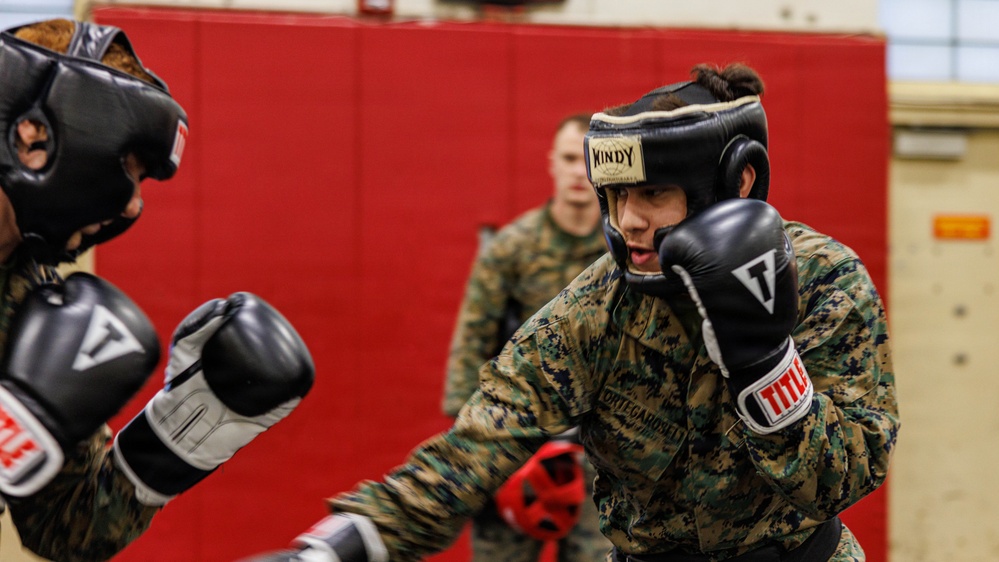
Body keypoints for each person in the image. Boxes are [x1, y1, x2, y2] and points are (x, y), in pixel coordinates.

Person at [243, 62, 898, 562]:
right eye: (613, 196)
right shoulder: (592, 312)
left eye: (653, 193)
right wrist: (333, 548)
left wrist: (763, 362)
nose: (628, 222)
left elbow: (841, 478)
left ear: (739, 182)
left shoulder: (822, 281)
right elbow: (469, 456)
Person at [0, 19, 315, 561]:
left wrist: (185, 428)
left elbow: (65, 528)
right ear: (35, 137)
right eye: (126, 168)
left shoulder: (31, 300)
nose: (131, 206)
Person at [442, 113, 611, 562]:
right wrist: (479, 459)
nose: (580, 172)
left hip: (604, 463)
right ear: (552, 163)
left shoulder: (625, 253)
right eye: (570, 159)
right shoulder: (512, 250)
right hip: (516, 453)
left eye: (589, 161)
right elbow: (468, 356)